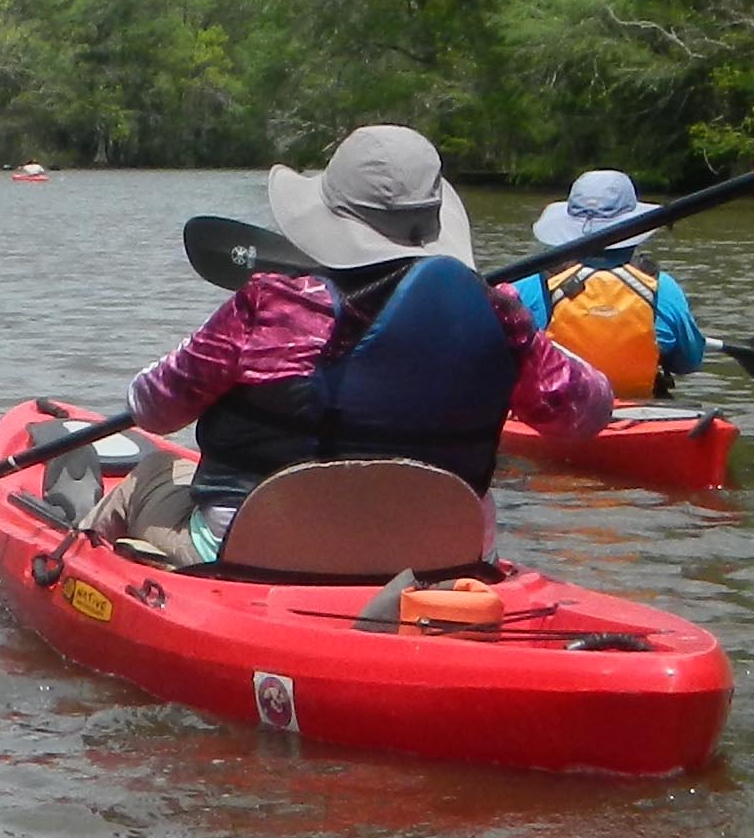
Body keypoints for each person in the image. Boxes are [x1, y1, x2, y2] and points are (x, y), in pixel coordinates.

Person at [103, 124, 616, 547]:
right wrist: (493, 312)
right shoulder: (501, 314)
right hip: (437, 552)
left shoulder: (271, 306)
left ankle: (72, 581)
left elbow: (153, 407)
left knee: (149, 474)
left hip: (265, 545)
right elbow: (588, 413)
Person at [519, 168, 706, 402]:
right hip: (638, 412)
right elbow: (689, 361)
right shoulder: (662, 288)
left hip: (556, 414)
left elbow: (500, 361)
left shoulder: (528, 286)